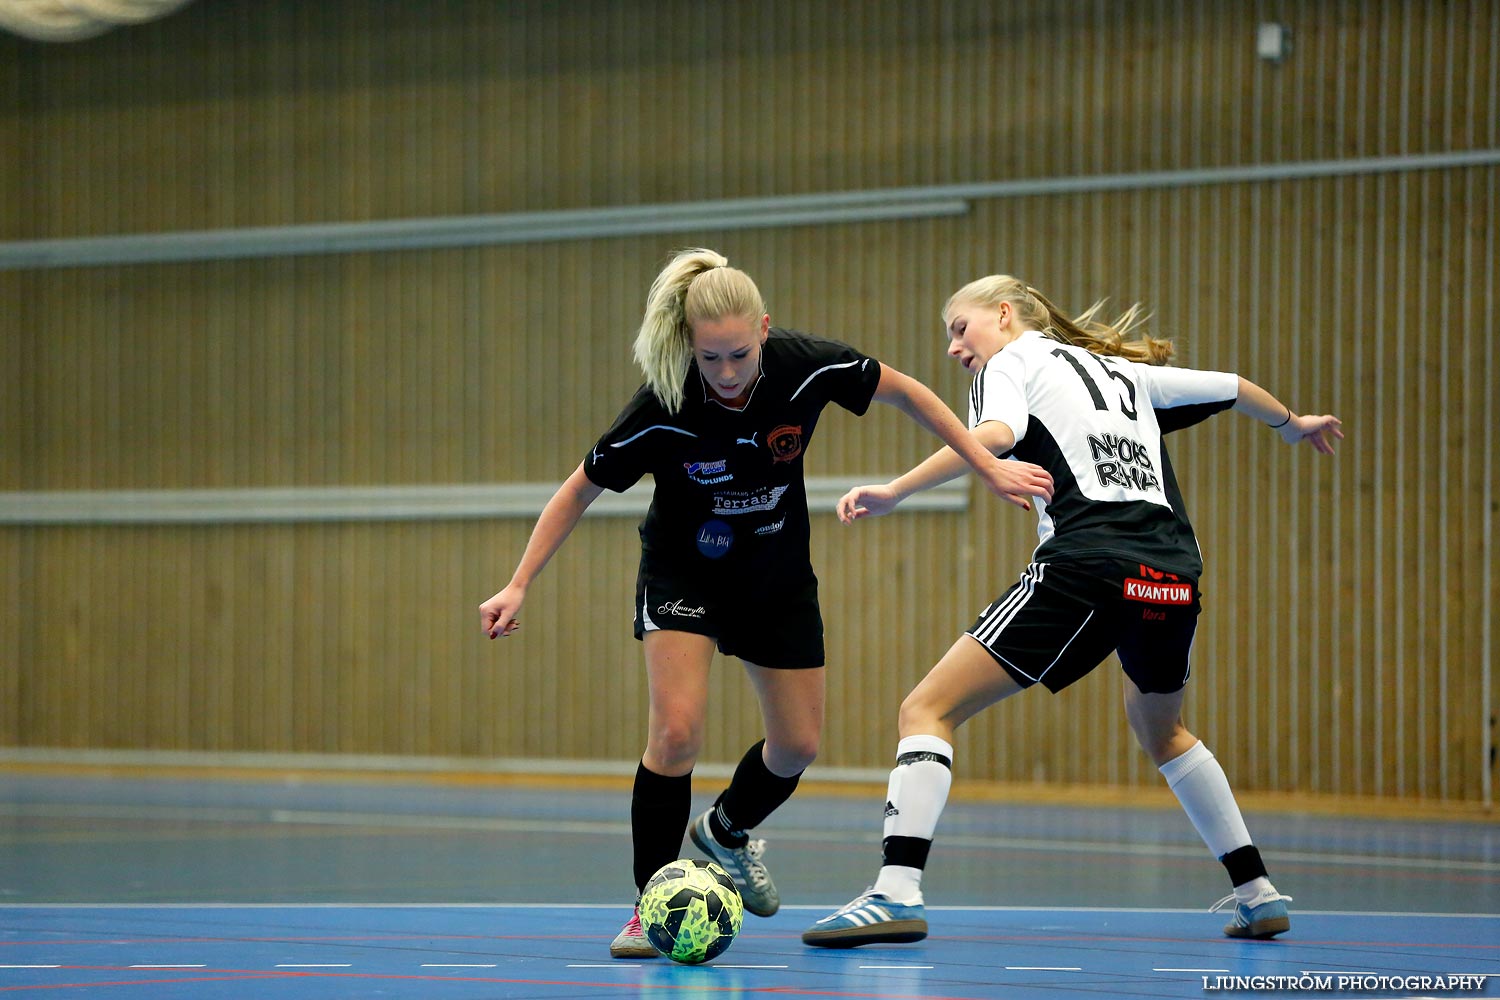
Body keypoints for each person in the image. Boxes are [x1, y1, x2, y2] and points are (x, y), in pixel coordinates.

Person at [478, 250, 1055, 959]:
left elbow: (907, 393)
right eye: (710, 358)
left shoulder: (806, 366)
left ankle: (724, 832)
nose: (725, 373)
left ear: (766, 331)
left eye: (739, 355)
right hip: (684, 575)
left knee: (797, 746)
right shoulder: (662, 405)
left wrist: (985, 460)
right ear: (690, 347)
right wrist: (519, 582)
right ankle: (649, 905)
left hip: (775, 575)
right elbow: (579, 489)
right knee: (677, 735)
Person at [802, 274, 1343, 948]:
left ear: (1003, 315)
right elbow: (1235, 387)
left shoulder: (1012, 361)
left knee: (926, 710)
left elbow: (997, 433)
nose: (953, 346)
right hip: (1173, 575)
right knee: (1164, 731)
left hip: (1087, 565)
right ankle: (1259, 893)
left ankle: (896, 892)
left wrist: (896, 488)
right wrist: (1294, 426)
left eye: (959, 327)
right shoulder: (1124, 375)